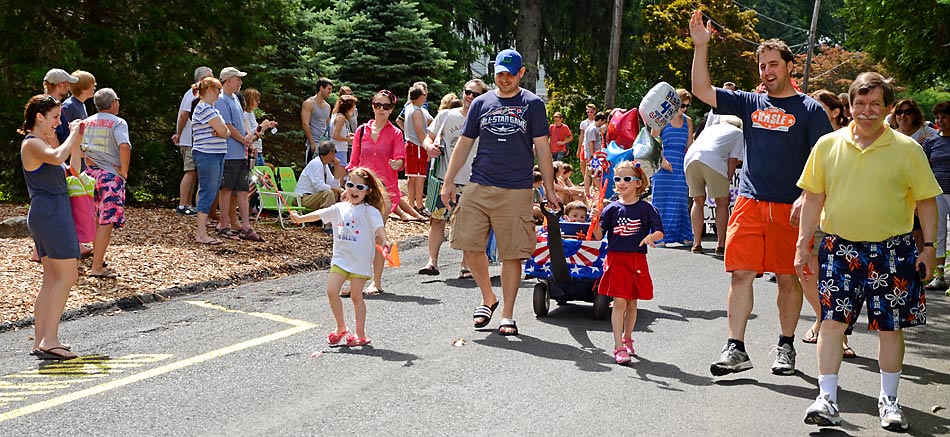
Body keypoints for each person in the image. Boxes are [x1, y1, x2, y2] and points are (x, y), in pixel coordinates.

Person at [690, 10, 834, 377]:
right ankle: (735, 348)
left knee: (788, 278)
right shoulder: (750, 103)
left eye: (773, 64)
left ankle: (785, 346)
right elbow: (701, 91)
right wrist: (701, 47)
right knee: (741, 274)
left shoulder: (810, 110)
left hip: (791, 208)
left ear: (789, 66)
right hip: (750, 203)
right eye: (761, 66)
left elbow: (827, 162)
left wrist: (809, 196)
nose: (766, 71)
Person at [796, 72, 941, 431]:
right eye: (860, 103)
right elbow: (813, 198)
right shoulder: (827, 145)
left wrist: (929, 248)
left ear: (888, 108)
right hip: (838, 247)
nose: (867, 110)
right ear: (849, 106)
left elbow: (926, 202)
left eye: (876, 103)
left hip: (893, 251)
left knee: (889, 328)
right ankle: (827, 398)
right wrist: (803, 245)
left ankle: (889, 401)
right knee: (832, 323)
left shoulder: (908, 150)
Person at [441, 48, 559, 336]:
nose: (504, 79)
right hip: (479, 183)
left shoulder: (532, 104)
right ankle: (488, 298)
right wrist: (448, 181)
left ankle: (507, 313)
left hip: (516, 188)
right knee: (467, 242)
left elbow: (542, 147)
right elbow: (465, 143)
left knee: (511, 253)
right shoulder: (482, 102)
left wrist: (550, 188)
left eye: (509, 73)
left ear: (520, 73)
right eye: (499, 74)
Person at [290, 167, 391, 348]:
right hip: (341, 259)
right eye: (350, 185)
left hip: (359, 261)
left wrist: (384, 241)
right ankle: (341, 327)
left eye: (360, 187)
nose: (354, 190)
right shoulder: (339, 208)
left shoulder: (370, 212)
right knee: (331, 291)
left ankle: (360, 334)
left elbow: (379, 229)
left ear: (368, 191)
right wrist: (300, 218)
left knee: (356, 296)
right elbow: (320, 214)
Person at [20, 95, 84, 360]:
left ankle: (41, 339)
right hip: (51, 213)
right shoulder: (32, 144)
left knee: (51, 279)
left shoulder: (42, 144)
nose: (58, 122)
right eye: (55, 117)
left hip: (49, 212)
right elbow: (59, 157)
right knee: (68, 276)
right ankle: (50, 339)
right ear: (39, 117)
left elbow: (74, 170)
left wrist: (77, 141)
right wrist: (72, 134)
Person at [800, 90, 855, 358]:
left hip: (841, 217)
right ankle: (824, 319)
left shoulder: (850, 138)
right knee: (808, 272)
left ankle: (838, 331)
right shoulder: (806, 135)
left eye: (819, 107)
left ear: (836, 112)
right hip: (811, 211)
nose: (812, 111)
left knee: (840, 276)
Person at [594, 161, 664, 364]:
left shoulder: (647, 208)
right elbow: (599, 235)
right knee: (619, 303)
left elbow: (659, 231)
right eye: (617, 179)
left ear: (638, 183)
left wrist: (650, 238)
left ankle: (627, 338)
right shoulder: (611, 209)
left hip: (637, 260)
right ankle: (618, 347)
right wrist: (596, 219)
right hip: (616, 259)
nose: (621, 183)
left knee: (632, 303)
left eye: (627, 179)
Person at [418, 79, 488, 277]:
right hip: (443, 178)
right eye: (468, 92)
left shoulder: (484, 121)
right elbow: (428, 137)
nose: (470, 97)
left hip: (473, 180)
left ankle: (466, 265)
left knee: (468, 225)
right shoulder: (446, 115)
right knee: (437, 220)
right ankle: (432, 262)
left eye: (475, 94)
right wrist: (428, 147)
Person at [347, 89, 406, 295]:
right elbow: (353, 163)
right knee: (357, 235)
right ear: (372, 105)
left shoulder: (396, 133)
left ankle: (377, 281)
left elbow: (400, 160)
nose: (381, 109)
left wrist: (396, 163)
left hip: (385, 193)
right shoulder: (362, 131)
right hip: (362, 191)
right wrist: (348, 188)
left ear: (391, 109)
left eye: (386, 106)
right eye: (377, 105)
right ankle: (356, 280)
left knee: (376, 234)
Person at [79, 88, 131, 279]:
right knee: (106, 222)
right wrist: (123, 170)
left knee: (95, 218)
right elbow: (124, 145)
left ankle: (96, 259)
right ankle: (97, 267)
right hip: (110, 175)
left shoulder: (86, 122)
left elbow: (79, 146)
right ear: (114, 103)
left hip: (90, 174)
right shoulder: (118, 123)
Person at [214, 67, 263, 243]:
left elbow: (242, 120)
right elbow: (226, 125)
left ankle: (246, 227)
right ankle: (223, 225)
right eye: (237, 79)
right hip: (228, 153)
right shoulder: (221, 99)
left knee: (242, 190)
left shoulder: (235, 98)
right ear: (228, 80)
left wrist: (249, 137)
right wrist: (244, 139)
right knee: (226, 189)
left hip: (240, 153)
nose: (240, 82)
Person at [684, 115, 744, 255]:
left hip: (690, 159)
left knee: (697, 201)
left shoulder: (710, 129)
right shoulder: (738, 133)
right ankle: (721, 244)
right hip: (713, 159)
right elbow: (733, 160)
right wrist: (728, 178)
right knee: (722, 201)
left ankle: (697, 243)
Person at [652, 88, 694, 246]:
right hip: (663, 163)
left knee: (680, 200)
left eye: (686, 106)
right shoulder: (662, 119)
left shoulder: (688, 121)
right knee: (660, 201)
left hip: (681, 163)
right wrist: (662, 160)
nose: (684, 109)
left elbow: (690, 145)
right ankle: (659, 236)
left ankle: (683, 234)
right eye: (682, 105)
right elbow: (652, 141)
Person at [191, 77, 230, 245]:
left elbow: (225, 131)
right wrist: (220, 131)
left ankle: (202, 231)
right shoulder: (204, 108)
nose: (219, 93)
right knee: (208, 191)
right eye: (217, 90)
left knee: (212, 190)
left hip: (216, 154)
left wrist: (222, 131)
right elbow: (223, 129)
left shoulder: (212, 109)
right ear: (208, 90)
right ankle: (201, 233)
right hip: (207, 154)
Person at [172, 66, 214, 216]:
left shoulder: (200, 93)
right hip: (189, 139)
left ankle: (188, 204)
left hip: (194, 139)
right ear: (201, 79)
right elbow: (184, 115)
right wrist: (178, 134)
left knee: (194, 172)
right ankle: (183, 204)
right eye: (210, 76)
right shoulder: (193, 93)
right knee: (190, 171)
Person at [921, 101, 950, 294]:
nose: (940, 121)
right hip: (938, 192)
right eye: (938, 117)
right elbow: (923, 168)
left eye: (944, 117)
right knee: (938, 234)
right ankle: (939, 276)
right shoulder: (931, 142)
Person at [404, 85, 433, 216]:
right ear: (421, 97)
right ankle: (419, 205)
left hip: (411, 144)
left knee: (412, 176)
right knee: (419, 176)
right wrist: (426, 147)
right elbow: (420, 131)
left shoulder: (409, 108)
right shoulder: (416, 111)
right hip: (417, 146)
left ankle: (411, 203)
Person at [295, 141, 345, 211]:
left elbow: (335, 186)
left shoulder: (324, 165)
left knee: (335, 193)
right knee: (328, 193)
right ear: (330, 153)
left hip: (313, 197)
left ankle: (339, 219)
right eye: (335, 152)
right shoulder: (316, 164)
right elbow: (320, 187)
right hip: (302, 198)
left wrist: (337, 167)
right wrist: (338, 190)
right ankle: (329, 221)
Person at [57, 70, 96, 145]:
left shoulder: (81, 104)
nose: (94, 88)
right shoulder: (69, 106)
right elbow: (62, 132)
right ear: (83, 88)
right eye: (92, 86)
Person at [242, 88, 277, 168]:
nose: (258, 102)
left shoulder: (251, 114)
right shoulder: (245, 115)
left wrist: (268, 126)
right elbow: (250, 133)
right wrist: (262, 126)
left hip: (258, 150)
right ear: (249, 100)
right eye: (256, 100)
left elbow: (257, 131)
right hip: (253, 151)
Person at [301, 78, 333, 163]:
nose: (330, 92)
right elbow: (305, 124)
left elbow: (327, 125)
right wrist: (312, 143)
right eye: (328, 89)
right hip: (314, 144)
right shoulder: (309, 103)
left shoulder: (327, 106)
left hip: (324, 145)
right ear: (321, 88)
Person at [583, 112, 608, 199]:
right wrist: (594, 155)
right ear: (600, 120)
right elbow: (591, 143)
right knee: (595, 174)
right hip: (593, 156)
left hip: (593, 155)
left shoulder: (594, 128)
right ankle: (602, 193)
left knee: (589, 173)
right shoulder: (592, 129)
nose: (603, 124)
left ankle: (587, 192)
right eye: (603, 122)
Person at [330, 94, 357, 167]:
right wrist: (349, 140)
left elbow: (337, 133)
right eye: (353, 106)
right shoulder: (341, 118)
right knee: (339, 177)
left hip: (338, 150)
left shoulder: (337, 115)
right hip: (339, 150)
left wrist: (348, 135)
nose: (354, 108)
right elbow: (335, 136)